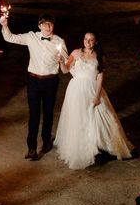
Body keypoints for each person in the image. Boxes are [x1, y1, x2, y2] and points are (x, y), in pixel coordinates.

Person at [55, 31, 133, 169]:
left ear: (95, 42)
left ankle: (105, 146)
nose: (88, 42)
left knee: (103, 116)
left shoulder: (100, 56)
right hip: (76, 90)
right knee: (79, 118)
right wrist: (62, 62)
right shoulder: (76, 53)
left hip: (92, 89)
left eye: (91, 40)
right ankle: (82, 148)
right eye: (86, 39)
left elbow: (100, 77)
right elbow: (66, 70)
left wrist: (97, 96)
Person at [0, 13, 68, 160]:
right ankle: (31, 148)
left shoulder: (59, 41)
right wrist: (4, 25)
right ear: (39, 26)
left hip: (50, 81)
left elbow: (66, 68)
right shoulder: (31, 37)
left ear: (53, 26)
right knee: (34, 114)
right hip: (33, 81)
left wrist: (62, 60)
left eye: (50, 24)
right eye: (44, 24)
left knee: (48, 113)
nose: (47, 27)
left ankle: (46, 142)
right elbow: (10, 38)